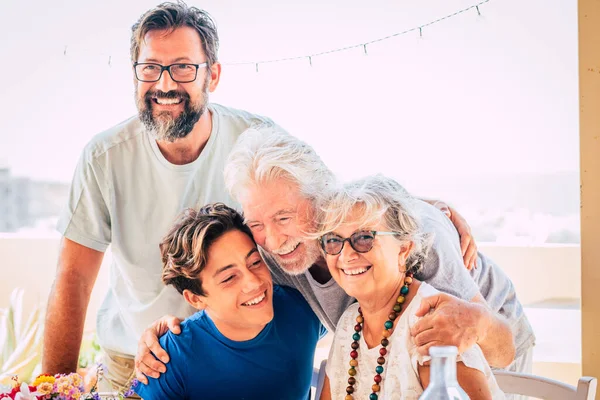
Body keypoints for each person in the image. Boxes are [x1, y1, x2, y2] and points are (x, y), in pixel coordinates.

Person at [44, 1, 481, 390]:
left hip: (258, 348)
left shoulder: (256, 137)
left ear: (212, 74)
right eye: (150, 67)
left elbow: (334, 201)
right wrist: (54, 390)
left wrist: (422, 211)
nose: (164, 84)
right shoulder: (104, 157)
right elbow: (73, 279)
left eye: (182, 67)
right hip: (146, 357)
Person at [136, 127, 535, 388]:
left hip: (494, 332)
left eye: (284, 218)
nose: (272, 242)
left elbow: (501, 351)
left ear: (321, 197)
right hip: (390, 360)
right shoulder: (273, 256)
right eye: (257, 223)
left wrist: (479, 322)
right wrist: (168, 335)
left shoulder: (420, 241)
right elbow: (226, 291)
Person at [315, 174, 504, 399]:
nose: (346, 255)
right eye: (334, 241)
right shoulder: (350, 322)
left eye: (364, 238)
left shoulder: (430, 325)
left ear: (404, 249)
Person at [132, 203, 324, 400]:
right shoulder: (169, 358)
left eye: (255, 263)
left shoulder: (302, 308)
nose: (254, 282)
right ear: (195, 299)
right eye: (229, 278)